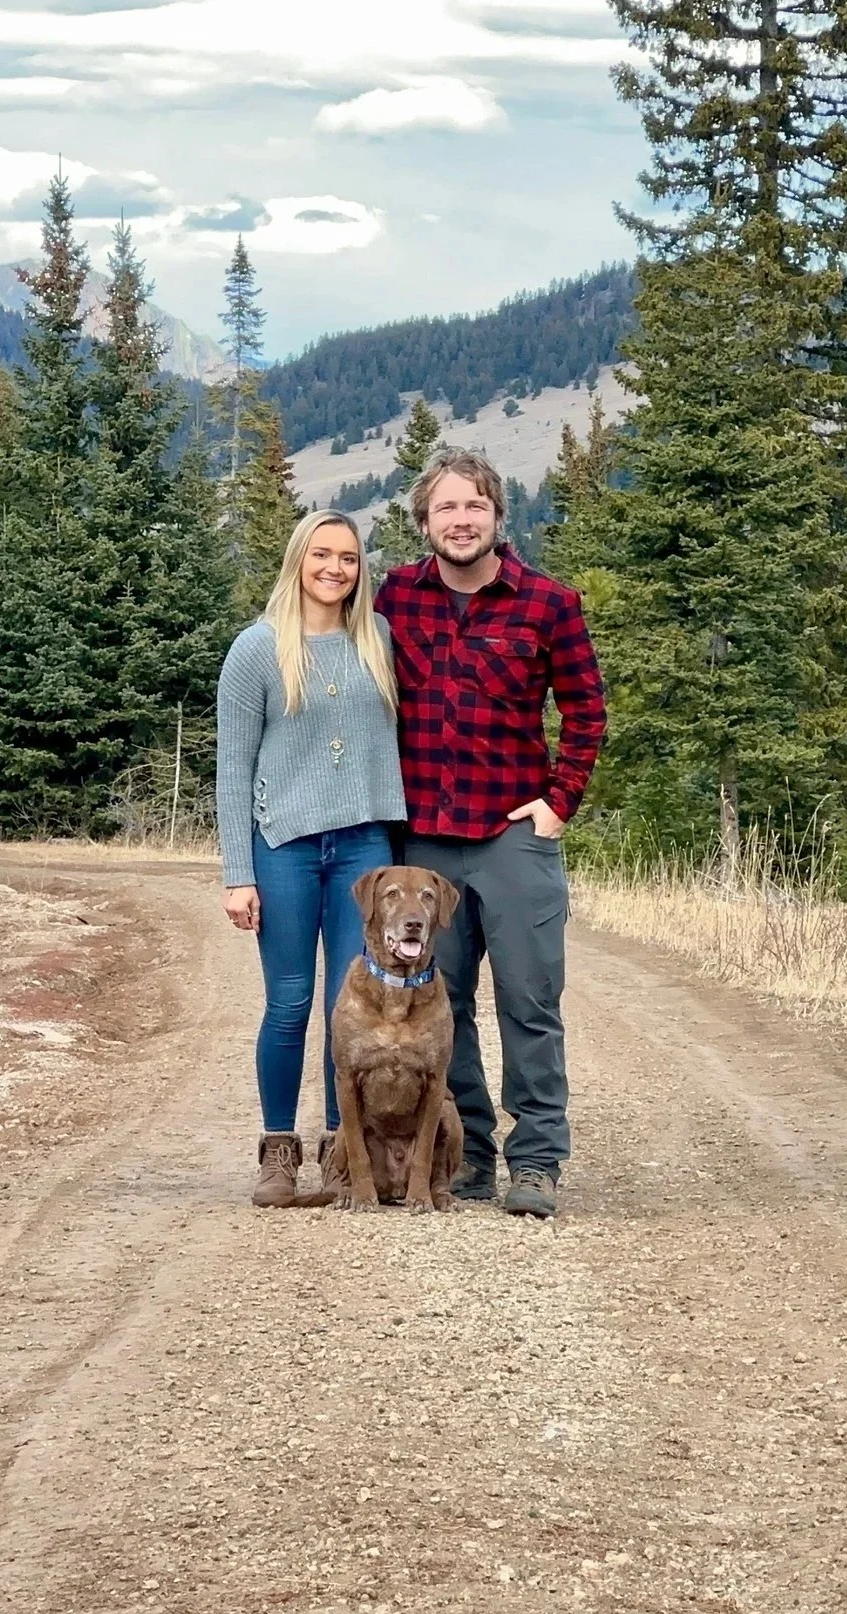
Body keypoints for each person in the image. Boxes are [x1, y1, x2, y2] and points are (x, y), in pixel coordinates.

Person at [376, 448, 606, 1218]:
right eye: (446, 507)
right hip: (426, 841)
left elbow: (586, 711)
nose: (461, 520)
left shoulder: (548, 602)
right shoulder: (395, 599)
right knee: (444, 1000)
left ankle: (536, 1159)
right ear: (425, 521)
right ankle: (467, 1151)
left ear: (497, 516)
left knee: (530, 998)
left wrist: (558, 803)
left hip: (514, 835)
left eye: (474, 506)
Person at [216, 510, 409, 1208]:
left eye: (349, 558)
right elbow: (232, 769)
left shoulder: (377, 640)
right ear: (299, 558)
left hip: (362, 844)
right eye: (322, 554)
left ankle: (341, 1150)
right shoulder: (257, 649)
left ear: (361, 570)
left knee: (346, 1006)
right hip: (285, 846)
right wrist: (238, 873)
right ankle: (277, 1150)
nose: (335, 568)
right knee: (291, 1000)